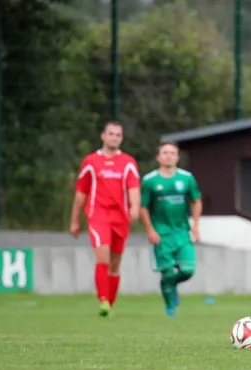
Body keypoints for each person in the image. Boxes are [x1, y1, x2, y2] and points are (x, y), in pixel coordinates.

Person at [70, 121, 141, 317]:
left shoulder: (128, 162)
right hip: (98, 215)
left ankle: (109, 303)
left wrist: (135, 207)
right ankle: (103, 300)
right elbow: (81, 193)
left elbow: (133, 187)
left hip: (120, 217)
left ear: (122, 138)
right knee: (103, 255)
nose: (114, 138)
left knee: (115, 262)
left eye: (118, 135)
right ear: (103, 136)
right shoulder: (91, 161)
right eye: (111, 134)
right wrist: (74, 220)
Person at [140, 140, 202, 317]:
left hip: (182, 231)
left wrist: (196, 226)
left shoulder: (187, 178)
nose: (168, 156)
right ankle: (169, 308)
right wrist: (150, 230)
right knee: (166, 272)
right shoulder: (150, 180)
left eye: (172, 153)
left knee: (188, 270)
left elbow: (196, 201)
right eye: (165, 152)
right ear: (158, 157)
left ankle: (172, 285)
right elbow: (143, 207)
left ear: (177, 157)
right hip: (161, 234)